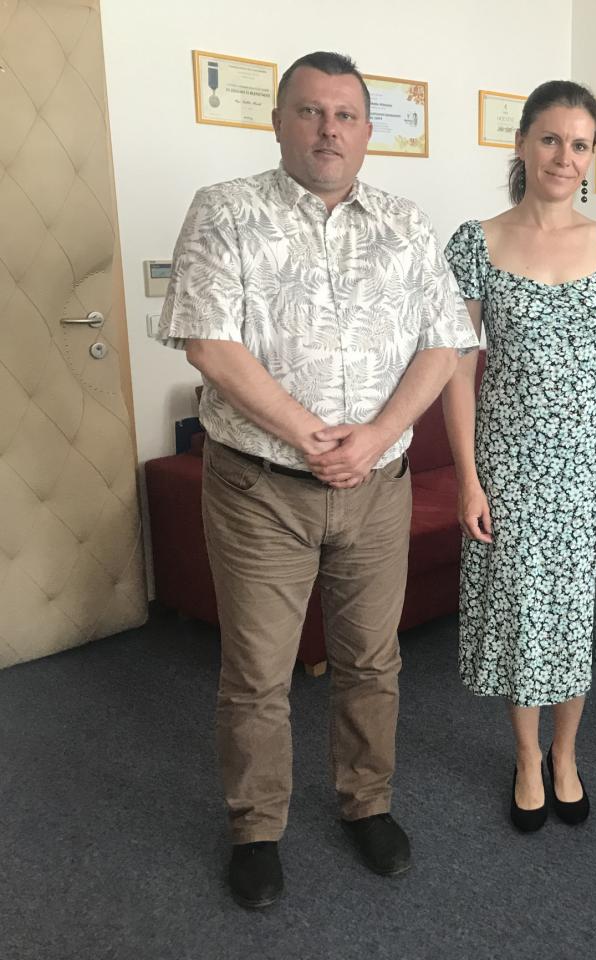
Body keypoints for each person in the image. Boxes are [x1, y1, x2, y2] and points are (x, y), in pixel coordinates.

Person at [155, 51, 478, 908]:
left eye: (345, 115)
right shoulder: (225, 211)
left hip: (378, 488)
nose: (328, 129)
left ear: (368, 132)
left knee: (372, 660)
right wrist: (312, 437)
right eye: (309, 111)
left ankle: (366, 802)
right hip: (261, 490)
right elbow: (208, 342)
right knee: (257, 672)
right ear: (278, 123)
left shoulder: (406, 225)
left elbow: (443, 345)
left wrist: (374, 438)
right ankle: (256, 827)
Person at [440, 80, 596, 832]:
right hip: (511, 465)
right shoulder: (475, 241)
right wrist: (467, 480)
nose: (564, 156)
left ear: (592, 157)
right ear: (523, 143)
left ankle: (566, 753)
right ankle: (526, 757)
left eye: (580, 144)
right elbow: (456, 366)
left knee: (577, 614)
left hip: (594, 465)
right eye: (551, 139)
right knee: (524, 613)